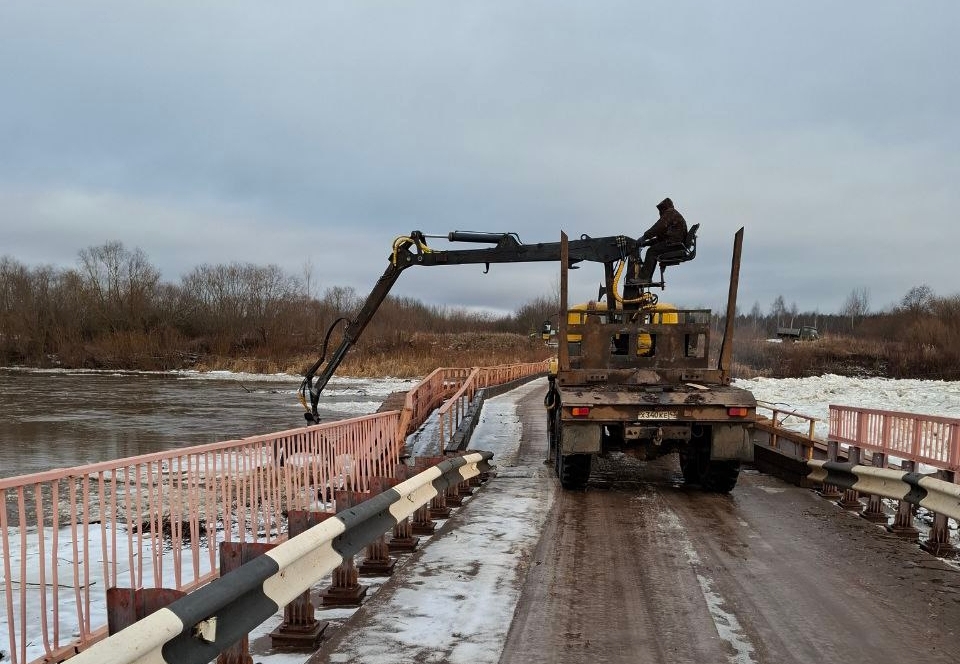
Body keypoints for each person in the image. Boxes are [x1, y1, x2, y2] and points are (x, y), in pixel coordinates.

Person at [637, 197, 688, 282]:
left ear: (664, 207)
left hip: (674, 244)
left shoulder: (670, 213)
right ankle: (646, 277)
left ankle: (644, 278)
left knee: (652, 251)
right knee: (654, 249)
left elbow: (658, 228)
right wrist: (645, 243)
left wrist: (644, 237)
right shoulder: (672, 214)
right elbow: (661, 238)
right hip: (675, 243)